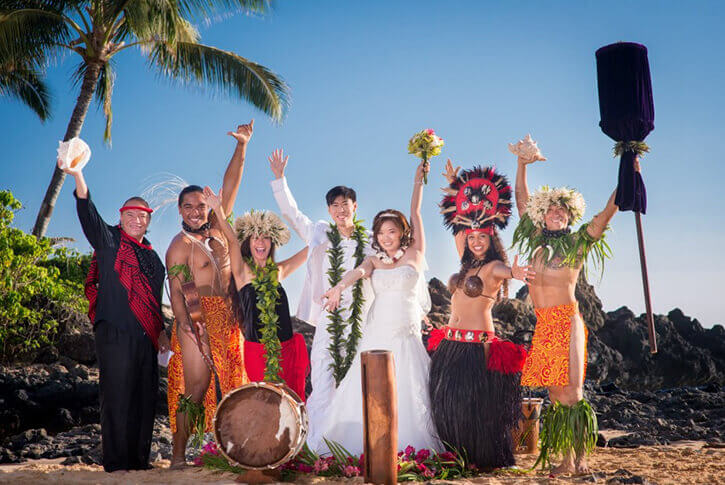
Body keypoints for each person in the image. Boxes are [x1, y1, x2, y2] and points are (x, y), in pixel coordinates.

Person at [510, 136, 629, 474]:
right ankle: (566, 459)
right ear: (542, 215)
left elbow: (606, 215)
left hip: (567, 320)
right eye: (551, 209)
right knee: (554, 393)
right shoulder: (533, 239)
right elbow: (521, 198)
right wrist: (521, 164)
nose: (556, 213)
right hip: (544, 322)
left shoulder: (578, 243)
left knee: (573, 393)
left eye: (562, 210)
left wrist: (627, 174)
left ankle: (579, 460)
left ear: (569, 215)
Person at [312, 160, 439, 455]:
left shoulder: (415, 254)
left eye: (391, 232)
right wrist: (337, 288)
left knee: (410, 387)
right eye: (381, 233)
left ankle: (407, 447)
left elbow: (416, 212)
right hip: (378, 332)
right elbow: (355, 272)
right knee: (366, 385)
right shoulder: (375, 260)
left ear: (401, 233)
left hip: (407, 334)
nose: (385, 237)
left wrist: (417, 182)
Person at [60, 158, 168, 473]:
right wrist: (78, 174)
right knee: (117, 397)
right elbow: (87, 213)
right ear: (120, 217)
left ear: (148, 220)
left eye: (142, 215)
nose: (136, 219)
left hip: (147, 337)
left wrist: (161, 332)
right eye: (130, 214)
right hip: (115, 334)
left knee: (145, 398)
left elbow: (155, 301)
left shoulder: (154, 258)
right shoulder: (109, 242)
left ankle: (138, 460)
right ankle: (117, 462)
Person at [428, 161, 531, 471]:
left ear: (491, 241)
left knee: (476, 406)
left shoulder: (492, 269)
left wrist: (516, 271)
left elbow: (506, 270)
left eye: (481, 238)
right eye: (472, 239)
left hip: (476, 347)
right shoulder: (466, 267)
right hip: (450, 344)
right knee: (448, 404)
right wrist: (454, 183)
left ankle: (483, 459)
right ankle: (457, 456)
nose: (475, 241)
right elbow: (457, 222)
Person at [166, 121, 254, 467]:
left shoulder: (219, 229)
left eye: (201, 205)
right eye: (188, 207)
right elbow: (176, 290)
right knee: (196, 387)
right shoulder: (179, 245)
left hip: (229, 315)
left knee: (236, 382)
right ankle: (176, 456)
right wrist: (187, 325)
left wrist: (242, 147)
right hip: (197, 317)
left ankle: (237, 452)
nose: (196, 211)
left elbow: (230, 186)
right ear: (180, 211)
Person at [268, 149, 374, 431]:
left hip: (362, 316)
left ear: (355, 206)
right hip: (329, 312)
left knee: (356, 375)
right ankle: (318, 438)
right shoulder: (319, 232)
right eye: (335, 205)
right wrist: (280, 180)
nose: (341, 209)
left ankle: (354, 433)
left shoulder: (372, 239)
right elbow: (292, 214)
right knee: (324, 371)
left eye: (345, 204)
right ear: (329, 210)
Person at [203, 186, 310, 397]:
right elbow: (232, 239)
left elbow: (311, 249)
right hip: (258, 353)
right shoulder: (242, 271)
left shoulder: (278, 271)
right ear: (249, 243)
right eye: (255, 238)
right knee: (264, 403)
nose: (260, 242)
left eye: (265, 238)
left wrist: (330, 232)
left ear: (272, 243)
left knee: (291, 405)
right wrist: (218, 209)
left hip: (287, 351)